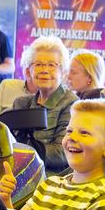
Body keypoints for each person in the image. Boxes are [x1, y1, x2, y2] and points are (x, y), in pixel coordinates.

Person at [12, 37, 79, 173]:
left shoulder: (71, 103)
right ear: (29, 70)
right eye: (38, 64)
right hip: (18, 172)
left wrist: (22, 151)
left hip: (52, 177)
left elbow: (62, 153)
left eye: (51, 65)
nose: (44, 70)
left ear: (63, 71)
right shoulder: (22, 103)